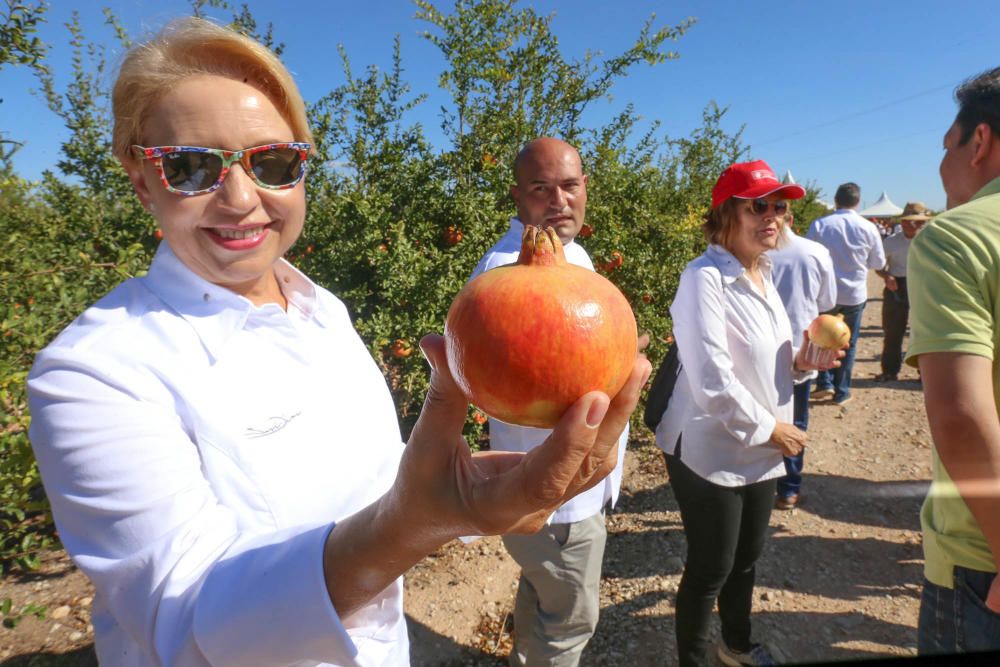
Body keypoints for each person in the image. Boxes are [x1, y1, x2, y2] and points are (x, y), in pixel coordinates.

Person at [25, 18, 650, 667]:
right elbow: (188, 623)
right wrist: (414, 522)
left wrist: (472, 505)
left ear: (302, 165)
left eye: (271, 161)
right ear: (141, 178)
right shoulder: (92, 372)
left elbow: (387, 494)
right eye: (190, 167)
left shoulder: (323, 312)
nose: (240, 198)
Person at [654, 160, 842, 667]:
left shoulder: (764, 273)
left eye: (779, 206)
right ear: (726, 213)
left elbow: (769, 363)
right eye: (758, 205)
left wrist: (802, 365)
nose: (773, 216)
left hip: (763, 445)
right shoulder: (703, 278)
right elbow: (712, 378)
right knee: (710, 567)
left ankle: (735, 645)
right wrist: (771, 429)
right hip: (710, 444)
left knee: (746, 559)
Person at [468, 137, 629, 667]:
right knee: (571, 620)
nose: (558, 200)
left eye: (569, 185)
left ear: (586, 189)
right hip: (557, 495)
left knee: (544, 597)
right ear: (518, 195)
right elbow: (479, 371)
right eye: (541, 188)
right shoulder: (500, 274)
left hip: (577, 483)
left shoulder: (571, 255)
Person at [905, 65, 1000, 656]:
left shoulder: (956, 238)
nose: (942, 166)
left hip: (982, 558)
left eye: (947, 146)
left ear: (980, 142)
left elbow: (963, 415)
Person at [767, 211, 836, 510]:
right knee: (794, 422)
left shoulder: (750, 254)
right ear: (792, 219)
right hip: (802, 350)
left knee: (760, 420)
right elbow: (828, 302)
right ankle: (788, 489)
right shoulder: (815, 252)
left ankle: (756, 485)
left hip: (760, 354)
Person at [806, 182, 886, 405]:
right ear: (858, 202)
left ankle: (824, 383)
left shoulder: (820, 224)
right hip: (854, 294)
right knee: (847, 343)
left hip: (824, 293)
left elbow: (809, 257)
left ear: (835, 200)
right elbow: (878, 261)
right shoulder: (868, 227)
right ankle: (842, 390)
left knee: (820, 339)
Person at [873, 201, 931, 382]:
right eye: (910, 220)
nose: (914, 224)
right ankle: (890, 370)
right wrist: (887, 276)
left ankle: (926, 373)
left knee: (924, 332)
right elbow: (879, 266)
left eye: (919, 221)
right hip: (897, 286)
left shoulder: (929, 241)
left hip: (923, 285)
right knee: (893, 332)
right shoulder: (891, 242)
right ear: (904, 222)